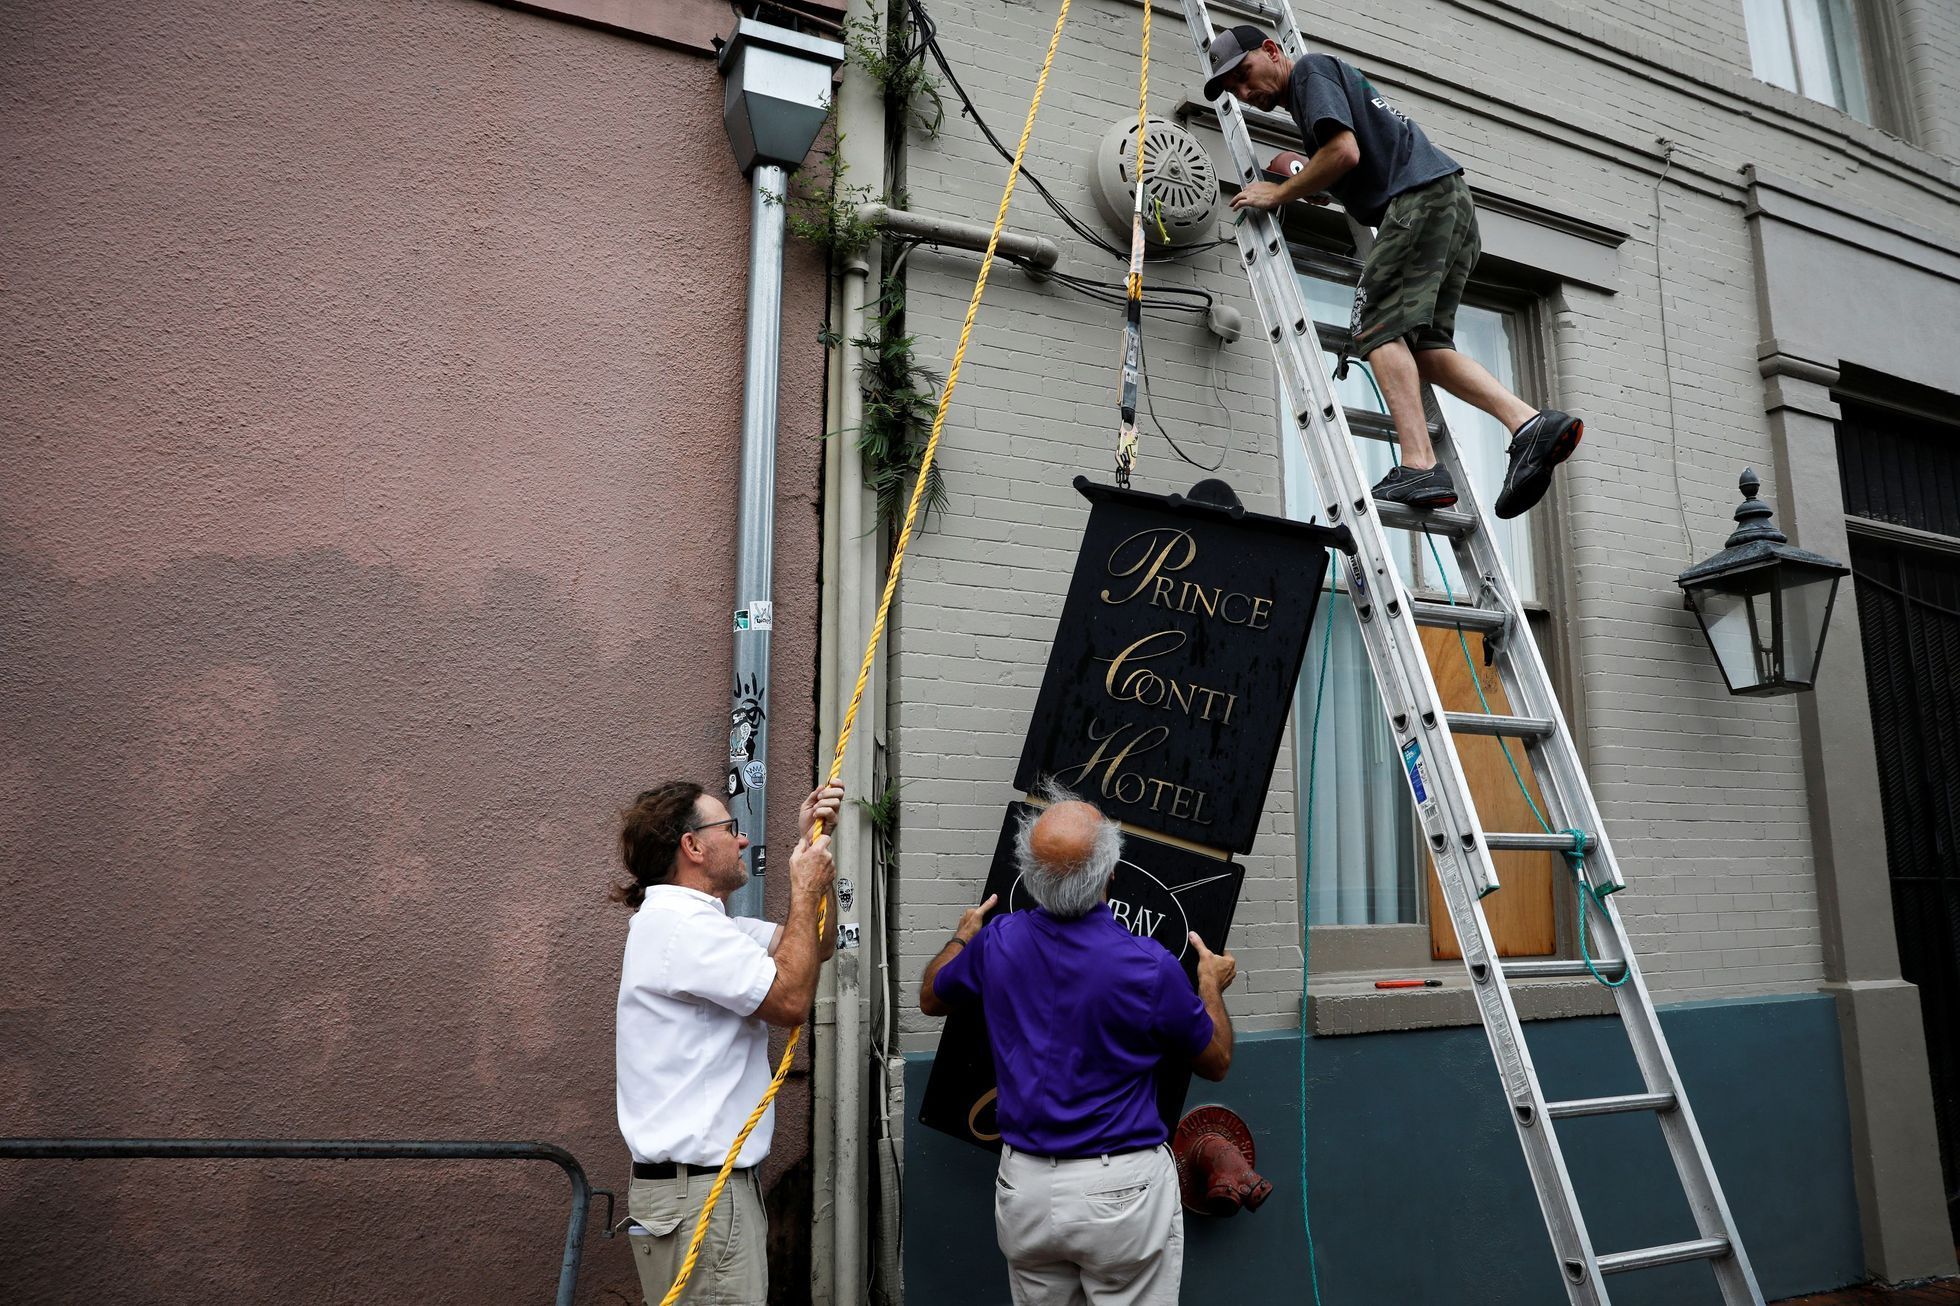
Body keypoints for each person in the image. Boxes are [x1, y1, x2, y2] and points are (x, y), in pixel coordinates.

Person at [1206, 24, 1583, 519]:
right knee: (1426, 348)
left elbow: (1343, 152)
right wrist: (1323, 183)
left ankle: (1419, 464)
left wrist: (1278, 193)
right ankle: (1530, 423)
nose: (1244, 91)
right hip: (1450, 204)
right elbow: (1351, 158)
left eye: (1244, 74)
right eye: (1232, 88)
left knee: (1377, 326)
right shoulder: (1321, 89)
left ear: (1273, 51)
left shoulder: (1309, 73)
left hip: (1419, 202)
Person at [918, 785, 1237, 1306]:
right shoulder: (1149, 965)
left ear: (1031, 876)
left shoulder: (997, 942)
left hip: (1025, 1191)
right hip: (1121, 1194)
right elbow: (1217, 1061)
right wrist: (1210, 985)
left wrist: (961, 937)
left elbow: (933, 996)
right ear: (1111, 874)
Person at [613, 779, 844, 1306]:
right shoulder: (683, 929)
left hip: (701, 1193)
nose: (742, 842)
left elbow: (816, 945)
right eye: (730, 829)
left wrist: (811, 851)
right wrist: (803, 888)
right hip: (700, 1197)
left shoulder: (701, 925)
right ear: (692, 847)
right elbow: (789, 1001)